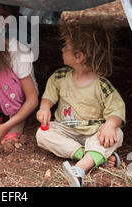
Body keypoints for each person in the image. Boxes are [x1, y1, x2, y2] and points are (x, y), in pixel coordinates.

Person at [35, 15, 125, 187]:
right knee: (42, 134)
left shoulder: (102, 85)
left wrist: (110, 125)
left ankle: (80, 168)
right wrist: (45, 108)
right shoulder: (60, 77)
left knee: (117, 134)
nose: (62, 49)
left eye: (65, 47)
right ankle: (92, 156)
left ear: (79, 57)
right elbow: (48, 97)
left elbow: (117, 110)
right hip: (66, 129)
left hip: (94, 132)